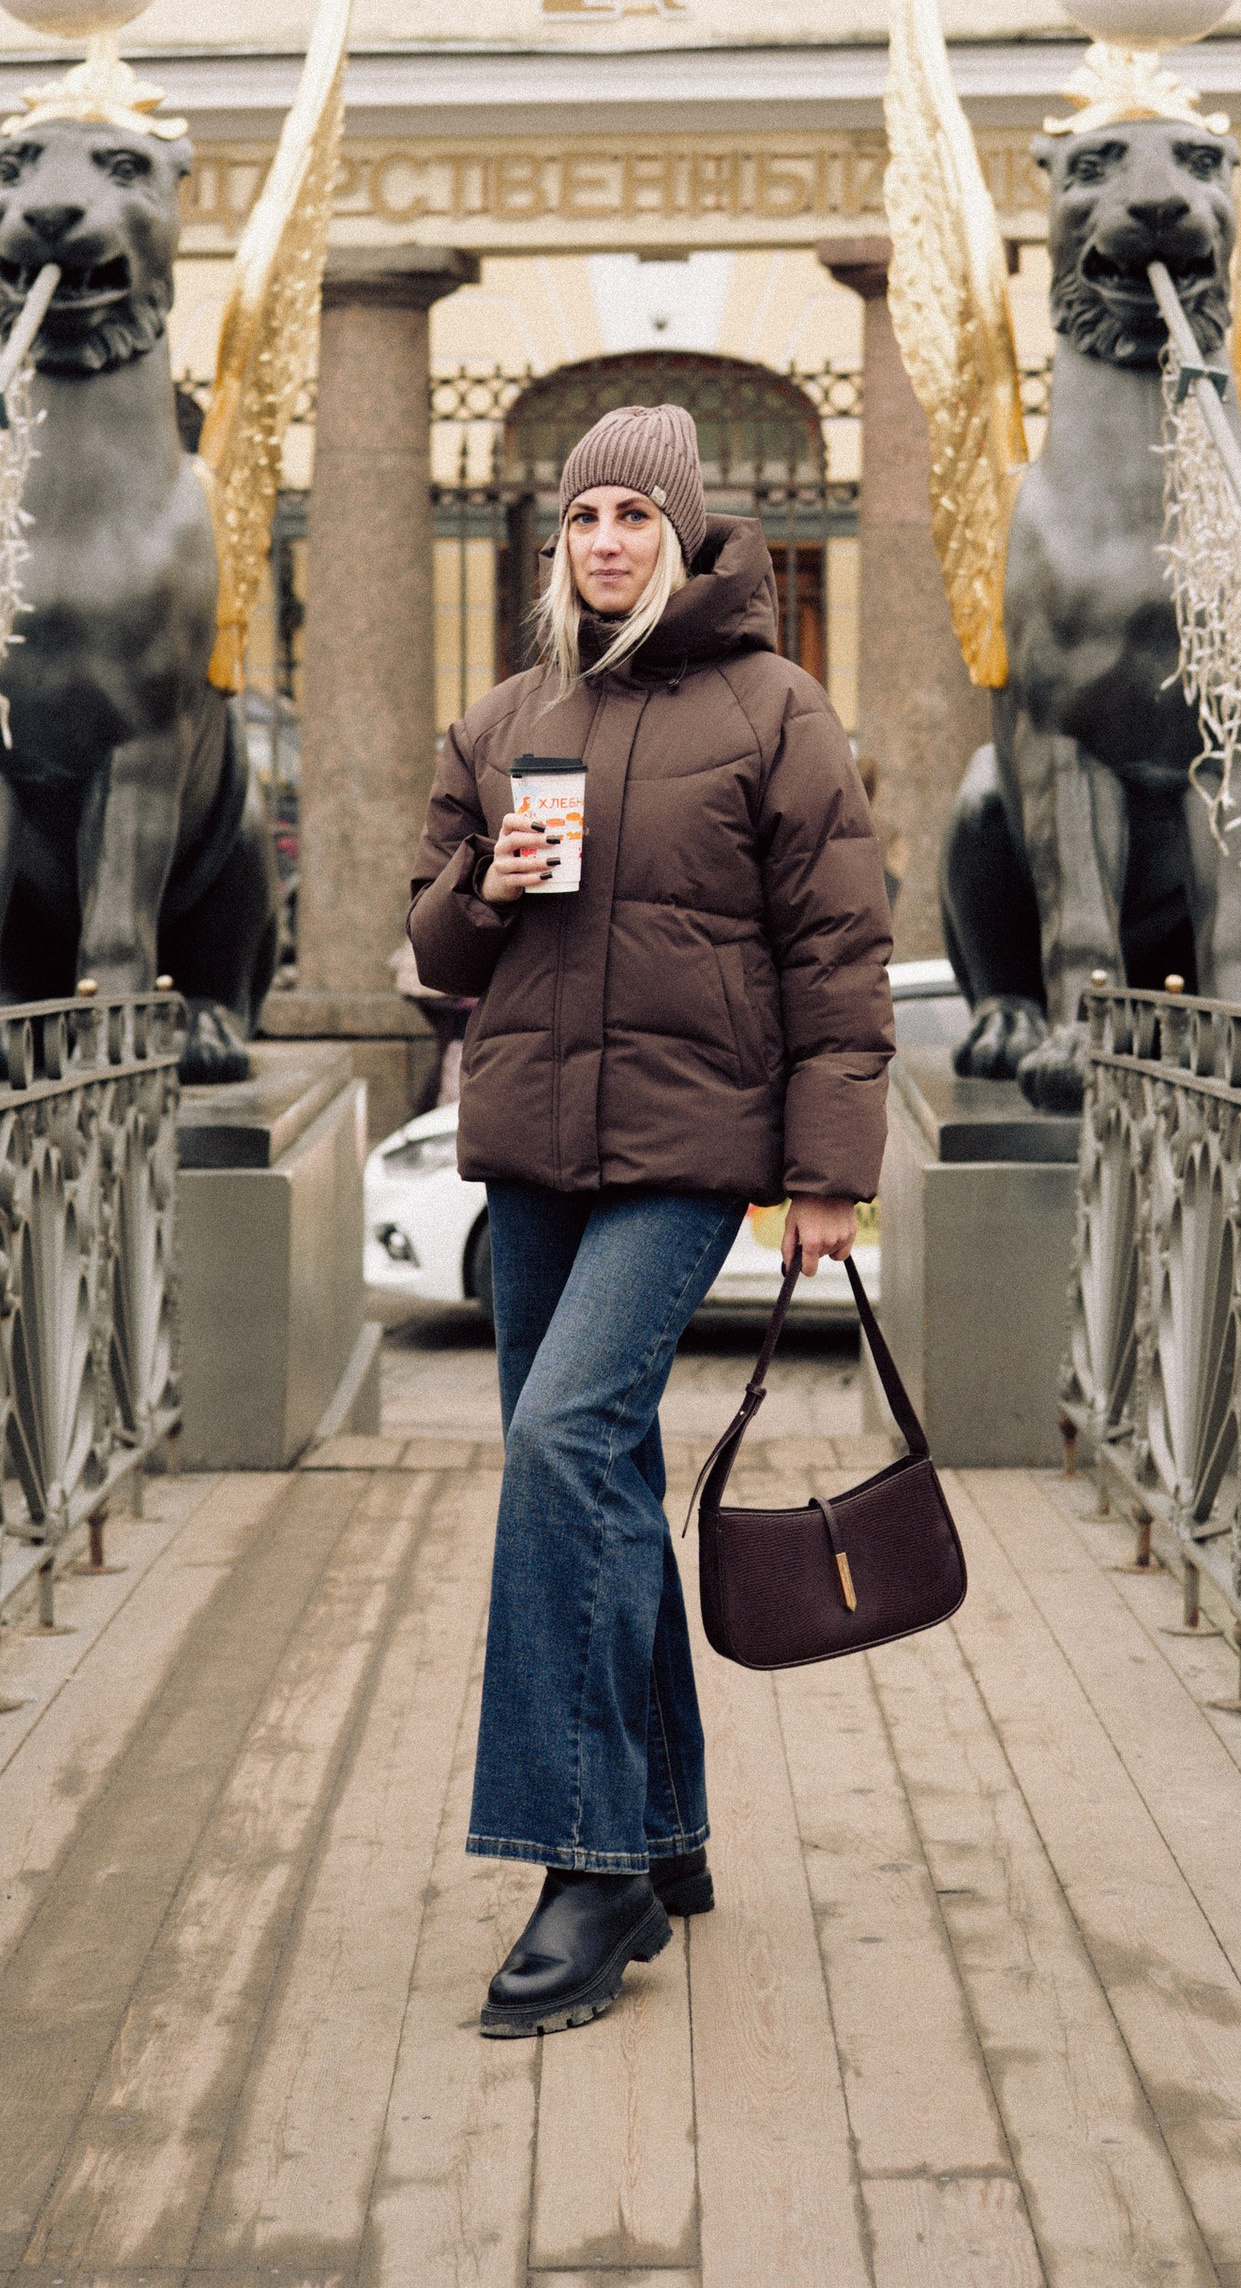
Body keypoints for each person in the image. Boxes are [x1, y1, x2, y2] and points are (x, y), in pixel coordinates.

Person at [409, 403, 894, 2040]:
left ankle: (587, 1863)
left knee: (559, 1443)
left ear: (683, 533)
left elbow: (837, 950)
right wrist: (491, 892)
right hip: (535, 1147)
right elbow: (432, 954)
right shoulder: (501, 720)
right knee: (599, 1471)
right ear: (558, 544)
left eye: (635, 513)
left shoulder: (777, 710)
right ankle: (667, 1832)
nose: (606, 538)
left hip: (692, 1148)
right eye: (583, 515)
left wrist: (829, 1167)